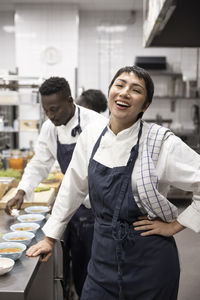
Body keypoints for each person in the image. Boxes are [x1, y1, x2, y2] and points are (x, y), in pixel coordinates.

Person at [26, 66, 200, 300]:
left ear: (145, 105)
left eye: (136, 90)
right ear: (110, 92)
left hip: (150, 264)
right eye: (119, 85)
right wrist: (50, 237)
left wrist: (175, 225)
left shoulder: (160, 143)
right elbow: (73, 187)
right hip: (102, 259)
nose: (124, 93)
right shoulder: (92, 135)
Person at [5, 77, 107, 298]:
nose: (50, 116)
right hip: (70, 206)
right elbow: (40, 162)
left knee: (88, 269)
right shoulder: (50, 128)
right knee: (63, 261)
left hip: (95, 210)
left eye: (55, 109)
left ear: (70, 101)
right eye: (46, 111)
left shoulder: (96, 124)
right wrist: (22, 191)